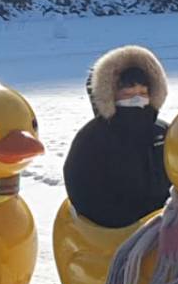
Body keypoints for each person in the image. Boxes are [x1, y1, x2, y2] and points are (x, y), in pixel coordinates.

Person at [63, 45, 171, 228]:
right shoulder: (91, 138)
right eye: (128, 94)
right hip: (117, 232)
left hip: (167, 223)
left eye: (143, 93)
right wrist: (130, 224)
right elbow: (83, 191)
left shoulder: (163, 131)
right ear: (111, 96)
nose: (137, 100)